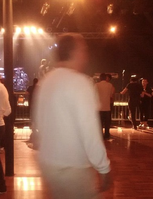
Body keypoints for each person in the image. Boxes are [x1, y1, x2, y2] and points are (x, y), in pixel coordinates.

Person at [33, 33, 111, 199]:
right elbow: (90, 131)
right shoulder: (80, 83)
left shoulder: (45, 81)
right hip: (72, 166)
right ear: (75, 52)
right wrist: (103, 168)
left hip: (49, 162)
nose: (86, 55)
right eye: (84, 49)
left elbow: (38, 123)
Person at [95, 73, 115, 139]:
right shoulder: (110, 85)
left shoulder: (96, 85)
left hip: (99, 107)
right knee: (107, 122)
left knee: (100, 122)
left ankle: (100, 135)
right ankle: (107, 135)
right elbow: (111, 95)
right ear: (105, 78)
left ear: (100, 78)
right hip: (107, 107)